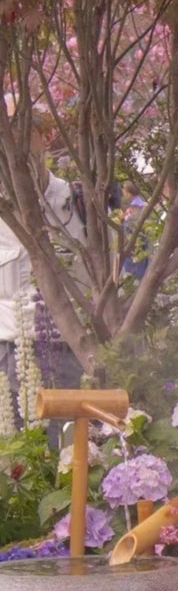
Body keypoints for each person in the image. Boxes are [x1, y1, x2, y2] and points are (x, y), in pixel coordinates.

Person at [0, 107, 88, 419]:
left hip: (66, 352)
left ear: (45, 139)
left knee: (66, 457)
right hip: (7, 351)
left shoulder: (77, 199)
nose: (14, 155)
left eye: (24, 141)